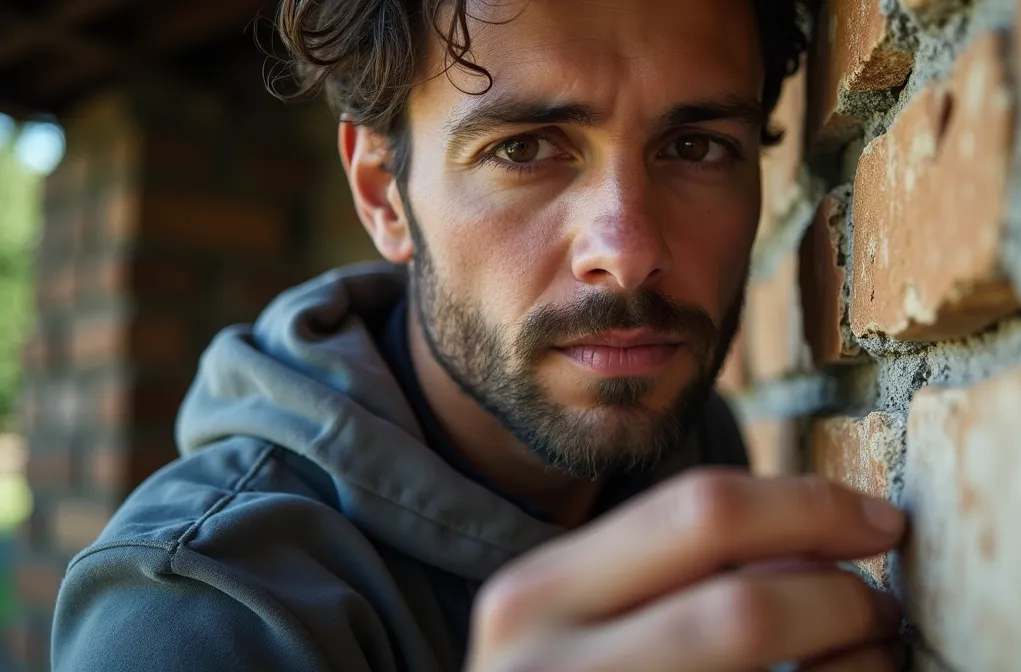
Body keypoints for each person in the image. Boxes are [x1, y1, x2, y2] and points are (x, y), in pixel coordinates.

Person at [52, 0, 907, 669]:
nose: (629, 252)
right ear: (386, 193)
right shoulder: (198, 614)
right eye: (527, 148)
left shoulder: (690, 447)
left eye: (696, 145)